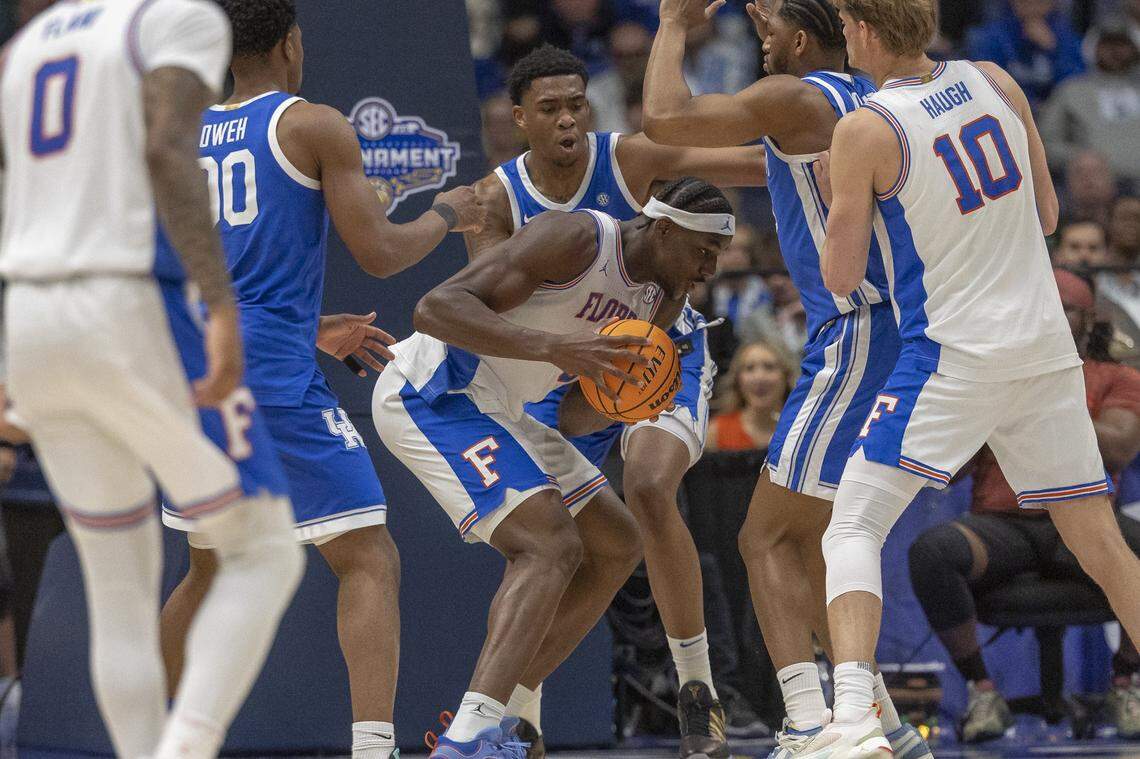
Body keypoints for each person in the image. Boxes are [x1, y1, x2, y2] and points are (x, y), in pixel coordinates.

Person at [156, 2, 484, 758]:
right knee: (368, 555)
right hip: (270, 379)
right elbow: (380, 253)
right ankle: (374, 748)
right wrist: (447, 210)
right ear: (290, 44)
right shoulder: (311, 125)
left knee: (207, 566)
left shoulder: (186, 132)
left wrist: (308, 329)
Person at [815, 0, 1140, 753]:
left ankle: (853, 721)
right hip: (1043, 349)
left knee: (854, 521)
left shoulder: (865, 126)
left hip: (955, 352)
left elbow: (839, 277)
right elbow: (1050, 216)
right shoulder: (994, 79)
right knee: (1099, 540)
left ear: (862, 29)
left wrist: (842, 193)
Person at [0, 1, 305, 757]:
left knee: (120, 586)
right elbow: (171, 151)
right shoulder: (175, 21)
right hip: (130, 302)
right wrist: (222, 302)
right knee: (267, 550)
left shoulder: (27, 44)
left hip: (31, 314)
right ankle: (185, 748)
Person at [641, 2, 931, 757]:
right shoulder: (858, 103)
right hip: (897, 330)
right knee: (814, 541)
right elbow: (732, 160)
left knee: (763, 533)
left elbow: (666, 114)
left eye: (769, 34)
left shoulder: (796, 96)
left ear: (802, 41)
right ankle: (885, 724)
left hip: (860, 334)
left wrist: (674, 24)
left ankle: (808, 721)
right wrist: (646, 157)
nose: (760, 45)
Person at [466, 43, 765, 758]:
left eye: (577, 104)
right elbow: (483, 303)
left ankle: (698, 689)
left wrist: (835, 152)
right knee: (543, 547)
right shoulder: (497, 198)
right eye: (551, 109)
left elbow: (748, 164)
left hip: (657, 353)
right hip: (557, 377)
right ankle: (521, 714)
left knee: (651, 484)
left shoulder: (626, 158)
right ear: (518, 120)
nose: (569, 119)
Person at [373, 177, 733, 759]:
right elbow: (435, 308)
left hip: (508, 412)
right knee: (549, 545)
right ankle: (469, 741)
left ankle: (502, 713)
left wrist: (632, 393)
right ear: (663, 229)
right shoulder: (577, 237)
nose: (709, 270)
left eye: (717, 256)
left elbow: (570, 417)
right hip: (436, 392)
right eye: (703, 252)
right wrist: (552, 348)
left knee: (617, 544)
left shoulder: (663, 302)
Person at [908, 269, 1140, 743]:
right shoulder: (992, 377)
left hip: (1084, 522)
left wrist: (1042, 397)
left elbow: (1118, 448)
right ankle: (983, 691)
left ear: (1086, 318)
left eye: (1062, 308)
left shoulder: (1117, 376)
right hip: (1004, 526)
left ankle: (1125, 682)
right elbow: (947, 471)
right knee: (933, 551)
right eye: (1038, 307)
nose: (1048, 317)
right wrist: (976, 407)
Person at [1040, 22, 1140, 186]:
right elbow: (1046, 144)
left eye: (1122, 44)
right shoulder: (1071, 90)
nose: (1115, 51)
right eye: (1107, 45)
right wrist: (1081, 158)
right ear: (1092, 48)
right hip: (1093, 184)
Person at [964, 0, 1085, 106]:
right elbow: (988, 83)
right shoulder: (991, 36)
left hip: (1054, 113)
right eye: (1025, 1)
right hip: (1010, 110)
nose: (1032, 6)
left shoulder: (1065, 36)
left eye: (1039, 2)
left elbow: (1076, 86)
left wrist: (1054, 50)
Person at [707, 341, 796, 451]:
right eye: (749, 368)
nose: (759, 377)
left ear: (786, 376)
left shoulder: (800, 430)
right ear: (737, 380)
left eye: (769, 367)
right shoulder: (715, 433)